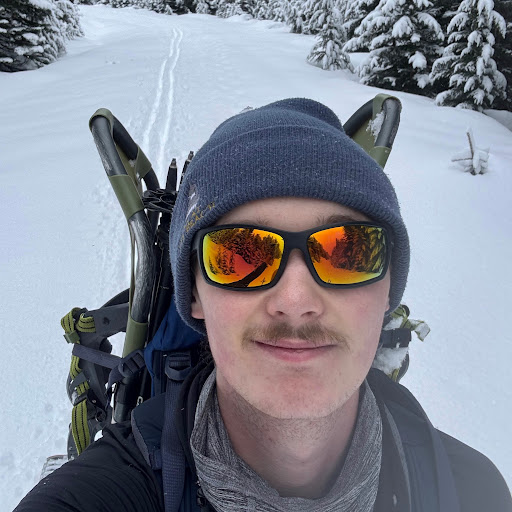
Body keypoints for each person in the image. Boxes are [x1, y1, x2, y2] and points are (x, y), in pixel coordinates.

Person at [16, 98, 511, 512]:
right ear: (195, 294)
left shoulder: (476, 492)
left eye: (348, 252)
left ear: (387, 293)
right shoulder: (101, 494)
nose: (295, 301)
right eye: (240, 254)